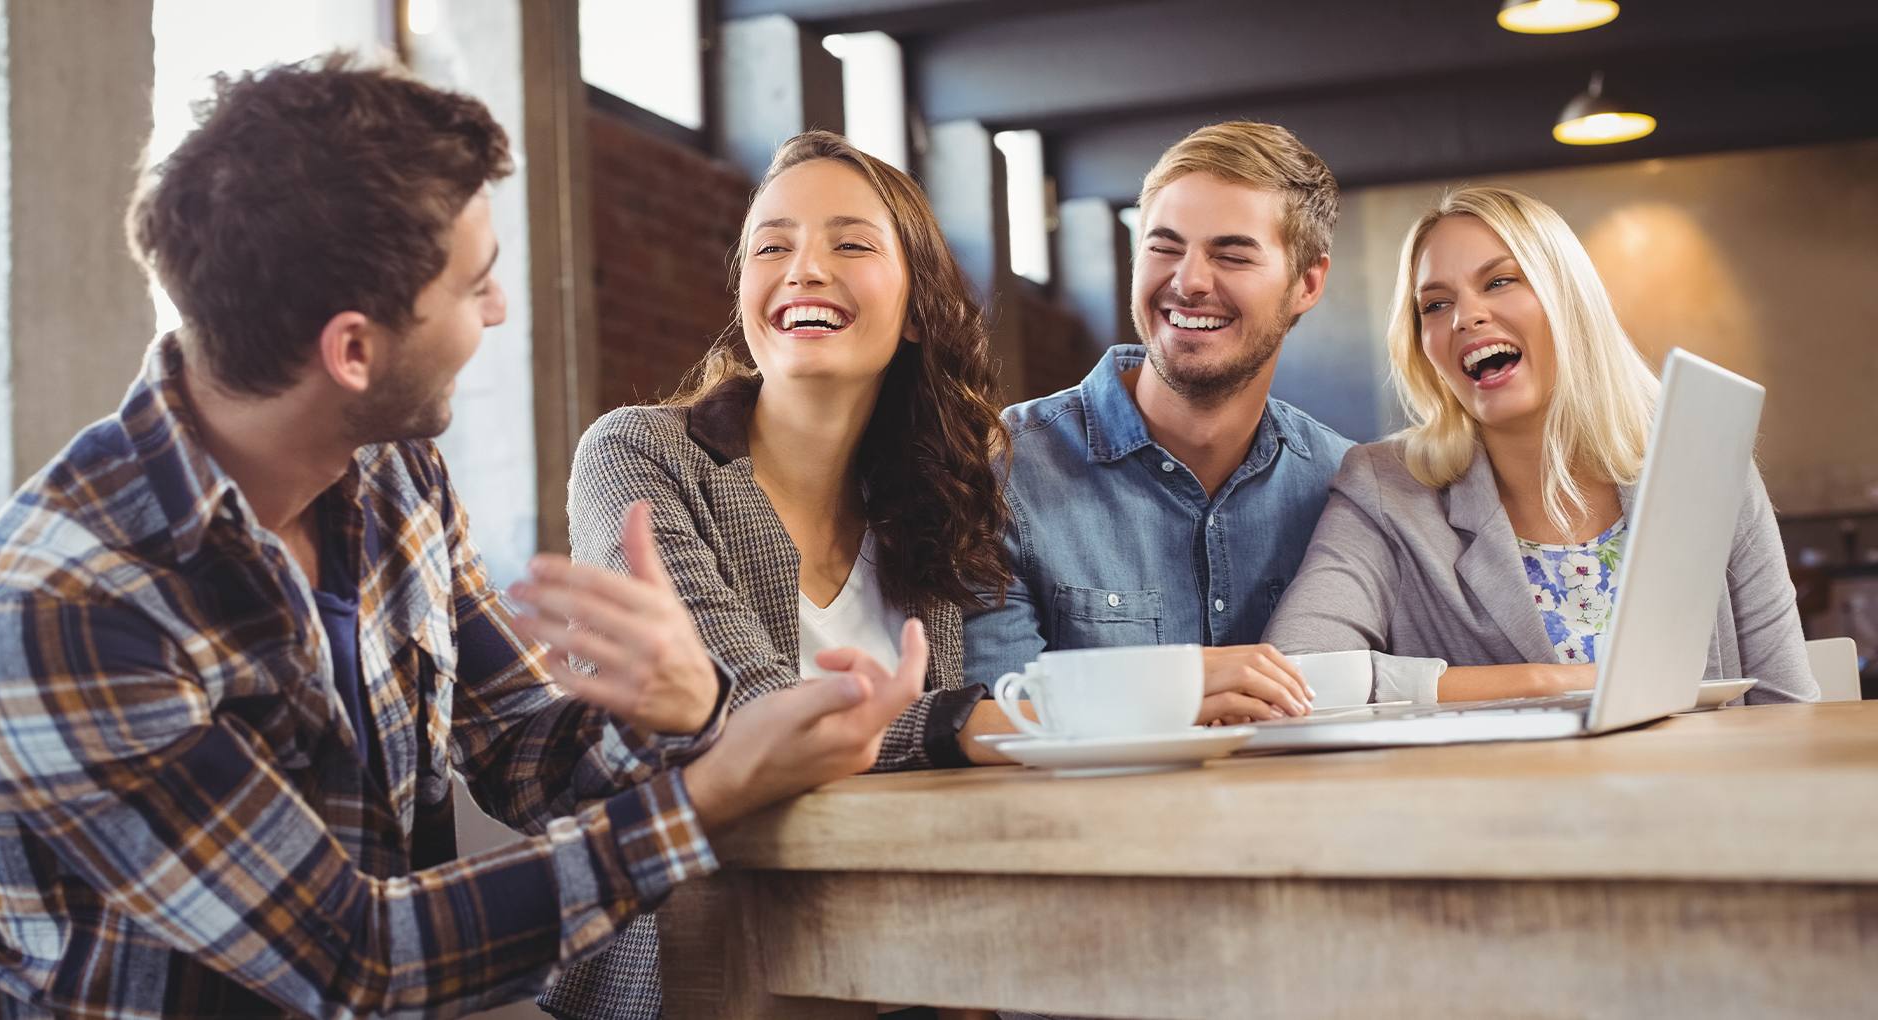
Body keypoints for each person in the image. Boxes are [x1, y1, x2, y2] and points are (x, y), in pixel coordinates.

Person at [0, 56, 923, 1019]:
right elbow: (356, 961)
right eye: (475, 286)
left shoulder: (389, 474)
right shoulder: (60, 610)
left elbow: (527, 755)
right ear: (353, 350)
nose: (500, 308)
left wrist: (679, 710)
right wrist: (705, 794)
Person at [545, 130, 1020, 1020]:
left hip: (906, 964)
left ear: (918, 308)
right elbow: (746, 714)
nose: (803, 267)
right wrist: (986, 723)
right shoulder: (638, 456)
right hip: (701, 974)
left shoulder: (935, 500)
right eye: (772, 246)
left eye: (850, 243)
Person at [1262, 185, 1818, 704]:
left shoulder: (1706, 469)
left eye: (1500, 281)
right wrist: (1544, 680)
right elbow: (1299, 672)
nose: (1466, 317)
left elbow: (1786, 707)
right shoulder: (1386, 487)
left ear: (1567, 299)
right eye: (1434, 304)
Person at [961, 121, 1355, 726]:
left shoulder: (1347, 489)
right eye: (1164, 247)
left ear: (1307, 283)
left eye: (1231, 254)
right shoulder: (1000, 472)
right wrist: (1168, 695)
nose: (1189, 281)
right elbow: (990, 719)